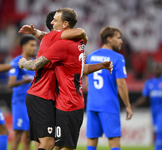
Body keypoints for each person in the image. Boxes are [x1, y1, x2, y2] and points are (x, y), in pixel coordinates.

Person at [18, 8, 113, 150]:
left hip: (58, 100)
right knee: (50, 144)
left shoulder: (67, 43)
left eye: (55, 20)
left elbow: (79, 69)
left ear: (65, 25)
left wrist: (100, 65)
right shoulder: (78, 43)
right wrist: (24, 62)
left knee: (51, 144)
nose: (52, 23)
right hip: (48, 98)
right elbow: (81, 32)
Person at [85, 26, 133, 150]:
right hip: (108, 104)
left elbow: (87, 82)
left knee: (91, 141)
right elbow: (121, 84)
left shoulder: (90, 56)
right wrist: (128, 105)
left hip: (92, 104)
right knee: (114, 142)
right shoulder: (117, 58)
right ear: (109, 39)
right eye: (119, 38)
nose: (121, 41)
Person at [8, 36, 36, 150]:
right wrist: (24, 80)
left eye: (35, 45)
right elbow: (11, 83)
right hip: (20, 102)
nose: (35, 48)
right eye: (32, 45)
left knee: (29, 135)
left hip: (32, 103)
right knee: (18, 134)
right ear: (24, 46)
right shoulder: (16, 62)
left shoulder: (35, 63)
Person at [131, 62, 162, 150]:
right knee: (156, 131)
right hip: (154, 112)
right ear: (153, 70)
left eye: (159, 68)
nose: (157, 69)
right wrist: (134, 105)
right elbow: (144, 97)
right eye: (156, 68)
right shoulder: (149, 83)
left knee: (160, 131)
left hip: (161, 112)